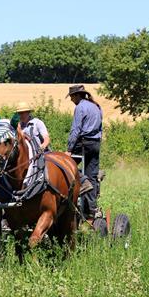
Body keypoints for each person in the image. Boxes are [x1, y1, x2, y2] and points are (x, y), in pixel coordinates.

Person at [64, 85, 103, 222]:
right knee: (92, 176)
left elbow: (76, 130)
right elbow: (100, 127)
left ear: (77, 95)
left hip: (83, 143)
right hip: (96, 143)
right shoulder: (96, 106)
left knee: (65, 167)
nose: (71, 100)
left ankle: (80, 184)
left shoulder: (80, 107)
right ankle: (90, 210)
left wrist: (69, 150)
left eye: (72, 97)